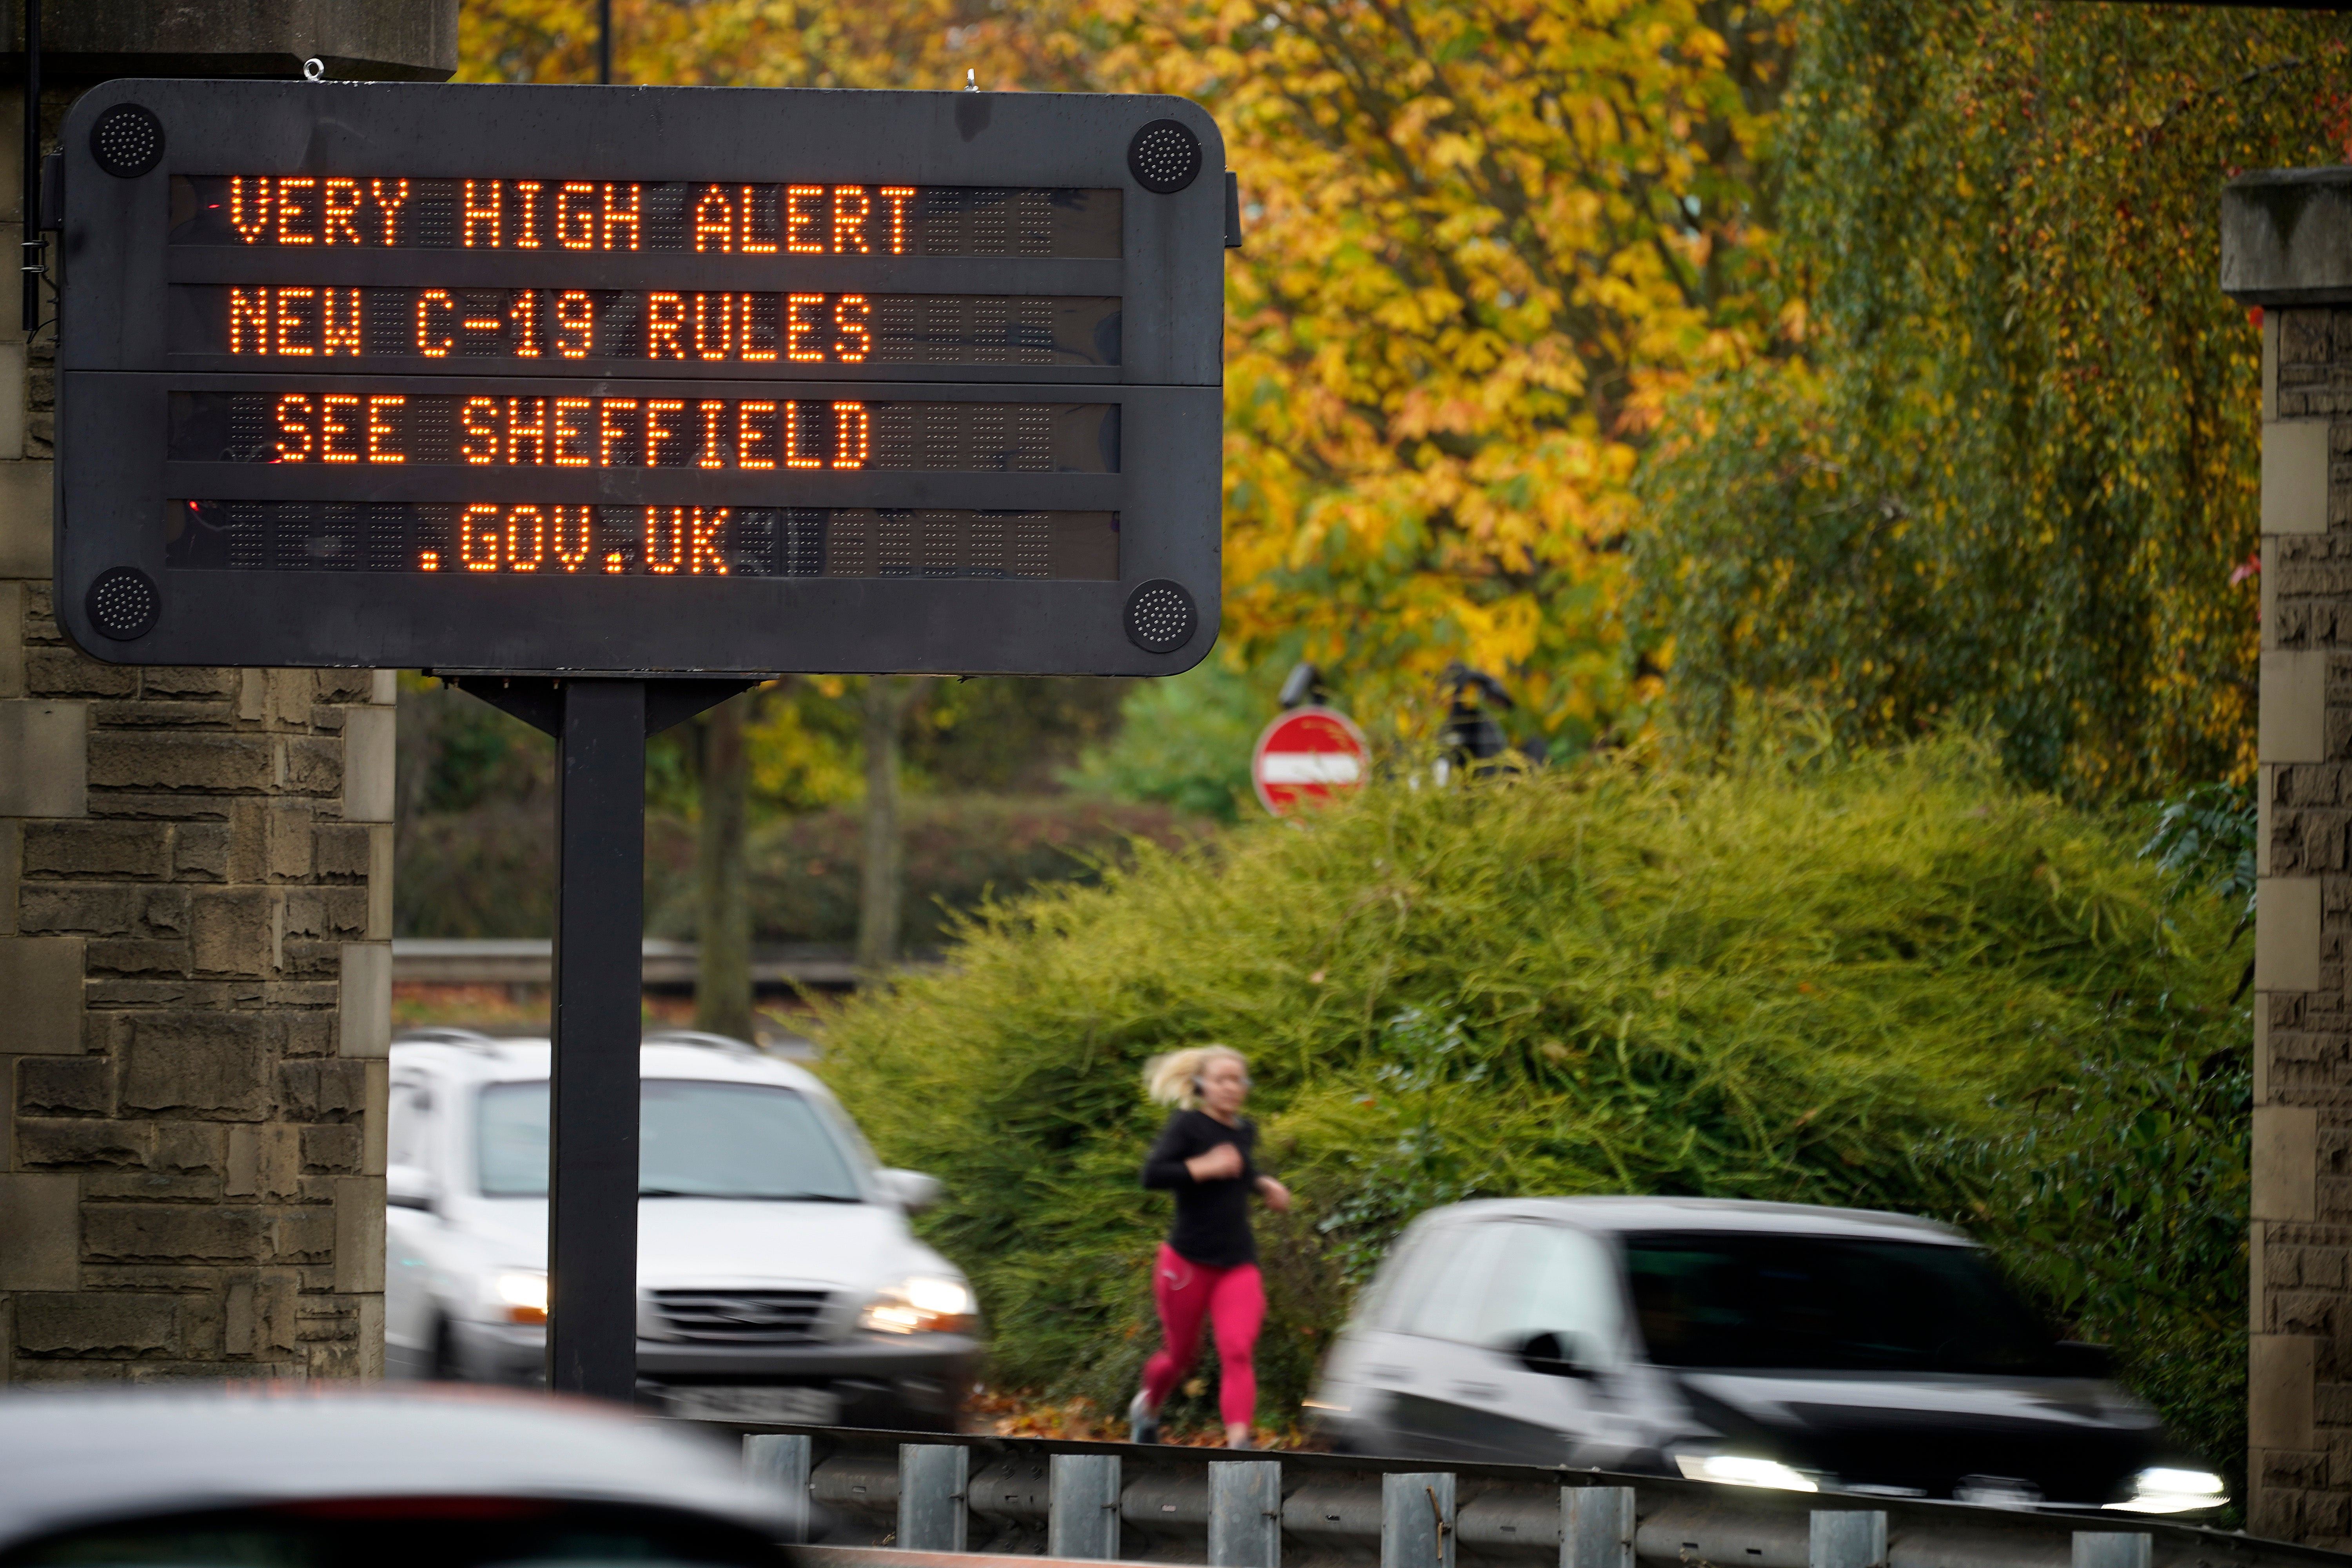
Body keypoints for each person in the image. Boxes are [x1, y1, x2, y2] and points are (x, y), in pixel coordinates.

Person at [1129, 1044, 1291, 1449]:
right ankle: (1147, 1408)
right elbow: (1153, 1175)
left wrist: (1262, 1184)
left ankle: (1240, 1442)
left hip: (1237, 1262)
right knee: (1182, 1357)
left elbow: (1239, 1171)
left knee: (1238, 1348)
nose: (1232, 1087)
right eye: (1222, 1079)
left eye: (1239, 1080)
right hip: (1187, 1261)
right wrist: (1203, 1167)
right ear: (1202, 1085)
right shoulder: (1187, 1126)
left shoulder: (1245, 1131)